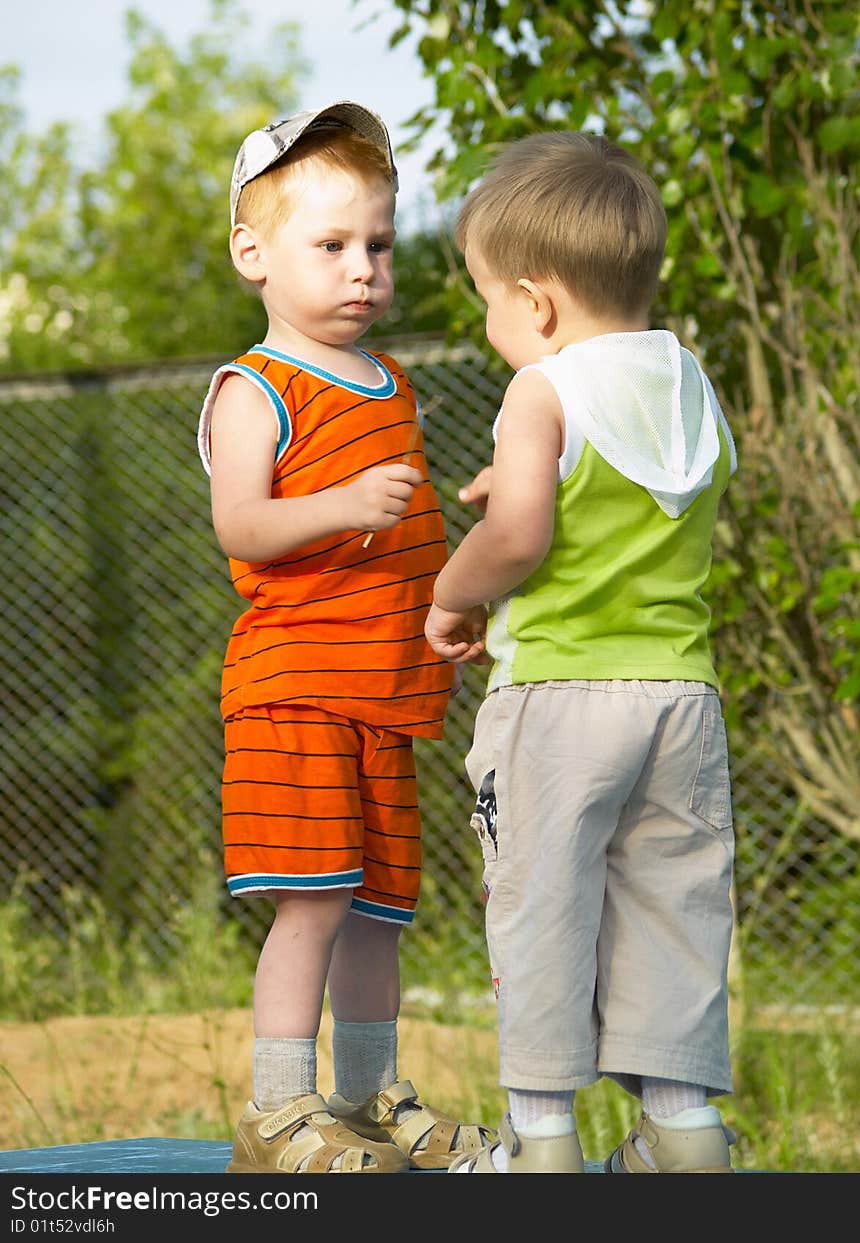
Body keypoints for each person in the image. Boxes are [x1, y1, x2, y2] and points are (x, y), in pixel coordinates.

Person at [424, 130, 739, 1174]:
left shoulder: (540, 390)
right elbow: (619, 496)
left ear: (539, 303)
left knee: (541, 911)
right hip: (680, 703)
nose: (490, 325)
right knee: (673, 909)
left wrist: (452, 592)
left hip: (558, 701)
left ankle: (540, 1140)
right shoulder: (691, 385)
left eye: (487, 300)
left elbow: (519, 536)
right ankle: (682, 1130)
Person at [197, 100, 493, 1175]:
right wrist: (336, 506)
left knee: (378, 909)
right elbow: (243, 524)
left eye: (375, 242)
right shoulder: (255, 387)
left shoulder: (394, 384)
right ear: (253, 251)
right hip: (294, 690)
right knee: (314, 899)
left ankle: (366, 1104)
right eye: (330, 245)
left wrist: (446, 615)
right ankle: (280, 1111)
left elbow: (405, 545)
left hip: (383, 697)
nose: (362, 267)